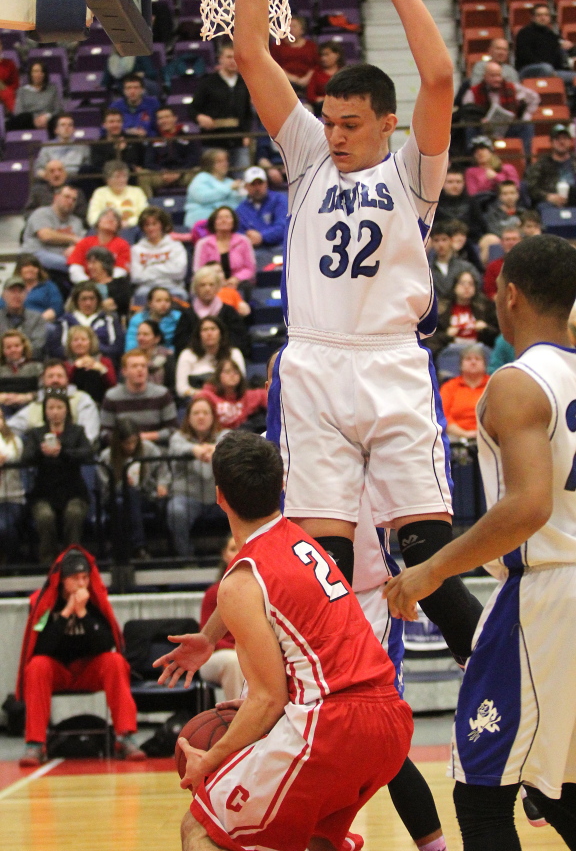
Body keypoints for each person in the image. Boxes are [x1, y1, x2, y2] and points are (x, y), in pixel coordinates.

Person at [232, 0, 482, 666]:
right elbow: (250, 53)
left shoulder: (413, 171)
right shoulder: (306, 158)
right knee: (325, 568)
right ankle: (337, 698)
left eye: (350, 123)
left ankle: (497, 687)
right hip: (314, 364)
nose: (333, 134)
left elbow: (441, 76)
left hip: (389, 366)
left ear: (385, 123)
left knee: (427, 561)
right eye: (328, 120)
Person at [385, 233, 576, 849]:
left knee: (481, 792)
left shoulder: (518, 383)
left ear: (511, 296)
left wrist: (430, 571)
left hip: (549, 595)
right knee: (560, 785)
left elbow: (527, 506)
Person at [160, 430, 412, 851]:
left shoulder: (240, 581)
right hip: (389, 722)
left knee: (202, 828)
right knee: (314, 841)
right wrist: (209, 636)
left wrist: (213, 758)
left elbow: (266, 700)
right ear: (281, 486)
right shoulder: (302, 539)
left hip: (332, 727)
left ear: (220, 496)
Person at [16, 546, 144, 767]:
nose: (82, 583)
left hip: (88, 670)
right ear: (62, 580)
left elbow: (107, 644)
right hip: (58, 670)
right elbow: (42, 646)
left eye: (85, 577)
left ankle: (125, 737)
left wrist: (83, 613)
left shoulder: (95, 602)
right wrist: (66, 613)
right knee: (36, 666)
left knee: (115, 662)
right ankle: (35, 744)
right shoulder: (45, 604)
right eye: (75, 578)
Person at [22, 390, 93, 564]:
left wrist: (63, 453)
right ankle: (48, 562)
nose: (55, 411)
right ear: (45, 411)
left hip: (74, 492)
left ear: (66, 410)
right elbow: (26, 457)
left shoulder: (77, 431)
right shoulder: (36, 434)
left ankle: (72, 560)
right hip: (44, 493)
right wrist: (41, 451)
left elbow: (87, 453)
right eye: (51, 407)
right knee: (45, 517)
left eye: (59, 407)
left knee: (74, 513)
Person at [99, 418, 169, 560]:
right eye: (126, 443)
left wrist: (162, 484)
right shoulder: (106, 457)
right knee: (123, 498)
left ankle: (120, 548)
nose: (131, 447)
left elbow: (163, 471)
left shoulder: (149, 449)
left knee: (131, 496)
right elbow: (104, 487)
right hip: (114, 498)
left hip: (145, 495)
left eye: (134, 442)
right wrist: (121, 484)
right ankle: (139, 546)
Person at [167, 396, 227, 557]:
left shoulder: (225, 435)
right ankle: (185, 556)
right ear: (188, 417)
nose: (201, 417)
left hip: (220, 498)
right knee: (176, 511)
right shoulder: (178, 437)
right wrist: (195, 450)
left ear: (213, 417)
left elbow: (229, 444)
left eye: (205, 413)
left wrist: (214, 449)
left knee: (242, 506)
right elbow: (177, 448)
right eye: (196, 413)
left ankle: (236, 555)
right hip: (187, 497)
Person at [189, 41, 253, 171]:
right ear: (220, 59)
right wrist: (200, 117)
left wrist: (247, 134)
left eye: (236, 58)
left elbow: (248, 113)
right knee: (213, 179)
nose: (232, 61)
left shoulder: (245, 83)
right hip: (213, 140)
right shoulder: (207, 83)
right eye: (229, 57)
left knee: (242, 176)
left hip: (237, 140)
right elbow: (192, 109)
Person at [8, 358, 100, 444]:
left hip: (75, 455)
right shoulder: (36, 405)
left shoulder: (82, 399)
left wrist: (63, 451)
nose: (55, 380)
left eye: (59, 376)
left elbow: (89, 434)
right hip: (41, 456)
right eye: (50, 376)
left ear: (67, 379)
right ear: (43, 380)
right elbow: (10, 429)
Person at [197, 535, 244, 698]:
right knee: (234, 661)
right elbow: (207, 638)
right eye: (233, 549)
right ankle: (239, 719)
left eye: (242, 547)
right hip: (218, 655)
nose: (238, 552)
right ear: (224, 555)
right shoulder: (213, 594)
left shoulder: (265, 587)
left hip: (253, 653)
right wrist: (237, 649)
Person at [100, 348, 178, 446]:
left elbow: (173, 430)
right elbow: (104, 433)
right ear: (124, 371)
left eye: (143, 366)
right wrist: (128, 440)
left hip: (155, 451)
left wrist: (144, 437)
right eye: (134, 366)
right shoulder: (112, 397)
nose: (140, 370)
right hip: (122, 450)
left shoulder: (162, 394)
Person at [461, 62, 539, 157]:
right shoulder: (473, 92)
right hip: (484, 130)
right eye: (493, 76)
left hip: (509, 128)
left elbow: (535, 97)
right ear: (485, 76)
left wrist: (526, 116)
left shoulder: (513, 88)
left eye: (499, 76)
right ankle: (472, 161)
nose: (497, 79)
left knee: (526, 126)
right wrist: (479, 121)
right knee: (470, 127)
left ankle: (526, 159)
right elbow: (466, 110)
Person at [174, 266, 250, 358]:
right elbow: (181, 343)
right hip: (197, 358)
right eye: (203, 285)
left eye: (211, 285)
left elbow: (240, 340)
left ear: (217, 287)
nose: (207, 289)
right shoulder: (188, 315)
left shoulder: (228, 312)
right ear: (196, 288)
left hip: (225, 357)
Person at [428, 270, 498, 357]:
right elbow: (431, 341)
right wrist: (447, 335)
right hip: (451, 354)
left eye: (470, 284)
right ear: (454, 287)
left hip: (479, 353)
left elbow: (498, 337)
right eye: (462, 283)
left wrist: (486, 329)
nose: (466, 287)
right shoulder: (442, 310)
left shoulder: (485, 308)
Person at [53, 281, 125, 364]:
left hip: (102, 363)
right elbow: (57, 350)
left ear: (98, 300)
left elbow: (117, 348)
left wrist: (92, 350)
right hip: (71, 364)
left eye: (92, 298)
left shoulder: (109, 320)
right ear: (76, 301)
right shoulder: (65, 321)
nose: (88, 303)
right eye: (84, 299)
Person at [22, 183, 86, 274]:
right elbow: (46, 236)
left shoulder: (76, 221)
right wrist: (73, 238)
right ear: (56, 197)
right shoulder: (41, 213)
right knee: (73, 265)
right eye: (67, 197)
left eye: (74, 199)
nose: (70, 201)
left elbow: (81, 243)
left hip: (61, 257)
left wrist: (74, 247)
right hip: (36, 254)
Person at [130, 207, 188, 305]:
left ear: (162, 225)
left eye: (154, 224)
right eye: (147, 225)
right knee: (139, 296)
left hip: (173, 287)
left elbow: (179, 272)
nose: (151, 228)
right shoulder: (136, 249)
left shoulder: (175, 246)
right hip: (146, 289)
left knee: (180, 295)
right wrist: (166, 269)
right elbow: (136, 277)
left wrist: (150, 269)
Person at [176, 317, 245, 398]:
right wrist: (206, 395)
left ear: (221, 333)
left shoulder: (234, 353)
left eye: (213, 329)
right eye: (205, 330)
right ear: (199, 335)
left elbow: (241, 383)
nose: (209, 333)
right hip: (198, 401)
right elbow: (181, 389)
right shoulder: (187, 355)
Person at [192, 206, 256, 291]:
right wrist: (217, 281)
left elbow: (250, 269)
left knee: (246, 286)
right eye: (219, 218)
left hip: (238, 283)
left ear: (233, 222)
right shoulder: (203, 244)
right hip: (210, 284)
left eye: (227, 217)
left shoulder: (244, 241)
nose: (224, 220)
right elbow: (198, 270)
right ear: (213, 222)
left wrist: (235, 279)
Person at [140, 105, 199, 194]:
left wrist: (180, 172)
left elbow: (194, 158)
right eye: (160, 118)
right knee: (143, 175)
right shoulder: (153, 140)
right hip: (161, 175)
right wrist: (162, 171)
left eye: (167, 117)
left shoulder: (187, 137)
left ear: (175, 118)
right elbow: (148, 162)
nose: (164, 121)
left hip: (183, 174)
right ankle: (149, 207)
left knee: (198, 173)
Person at [514, 3, 576, 86]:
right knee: (546, 68)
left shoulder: (552, 35)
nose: (543, 18)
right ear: (532, 17)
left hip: (553, 71)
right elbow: (525, 56)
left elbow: (567, 52)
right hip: (528, 70)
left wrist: (570, 47)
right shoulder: (524, 33)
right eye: (539, 15)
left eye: (546, 15)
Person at [67, 208, 131, 284]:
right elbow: (75, 268)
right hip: (85, 284)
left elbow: (121, 271)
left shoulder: (123, 245)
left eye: (115, 218)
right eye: (106, 216)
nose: (110, 220)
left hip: (111, 286)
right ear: (98, 222)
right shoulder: (85, 242)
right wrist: (88, 284)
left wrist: (106, 283)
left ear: (118, 226)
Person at [202, 358, 267, 431]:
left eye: (236, 372)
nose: (232, 375)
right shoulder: (206, 396)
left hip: (240, 436)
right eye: (227, 372)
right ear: (218, 375)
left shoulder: (248, 396)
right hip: (214, 436)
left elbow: (269, 398)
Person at [184, 148, 243, 228]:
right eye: (220, 161)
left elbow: (236, 204)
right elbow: (202, 197)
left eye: (226, 161)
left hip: (225, 226)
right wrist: (229, 188)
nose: (225, 164)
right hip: (200, 224)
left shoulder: (230, 182)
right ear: (210, 164)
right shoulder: (201, 178)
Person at [440, 344, 489, 439]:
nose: (473, 362)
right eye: (468, 359)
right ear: (460, 365)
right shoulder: (449, 387)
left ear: (485, 364)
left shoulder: (493, 385)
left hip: (489, 437)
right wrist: (464, 434)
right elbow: (443, 416)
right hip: (455, 437)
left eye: (478, 359)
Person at [87, 107, 146, 185]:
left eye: (118, 121)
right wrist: (117, 151)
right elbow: (99, 166)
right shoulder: (98, 144)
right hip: (104, 181)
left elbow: (140, 161)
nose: (115, 125)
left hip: (131, 180)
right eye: (111, 122)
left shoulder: (133, 140)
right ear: (104, 125)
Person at [236, 166, 288, 250]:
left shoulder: (279, 200)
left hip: (280, 248)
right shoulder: (240, 210)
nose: (257, 187)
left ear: (266, 184)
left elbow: (284, 227)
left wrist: (261, 236)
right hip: (254, 252)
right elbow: (239, 235)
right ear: (246, 186)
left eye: (260, 183)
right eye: (253, 184)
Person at [64, 324, 116, 406]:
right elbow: (65, 384)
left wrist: (102, 369)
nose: (79, 343)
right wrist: (75, 367)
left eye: (83, 340)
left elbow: (112, 385)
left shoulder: (104, 361)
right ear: (70, 344)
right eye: (75, 340)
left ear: (91, 342)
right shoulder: (65, 365)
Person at [86, 159, 149, 228]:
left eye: (124, 176)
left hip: (131, 228)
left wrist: (128, 223)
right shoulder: (100, 193)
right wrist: (109, 224)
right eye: (117, 177)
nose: (122, 180)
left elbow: (145, 215)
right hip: (106, 228)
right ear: (108, 179)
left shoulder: (137, 192)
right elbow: (92, 218)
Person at [526, 123, 576, 207]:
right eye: (557, 139)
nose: (561, 142)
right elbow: (531, 187)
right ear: (551, 142)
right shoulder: (541, 164)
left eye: (565, 138)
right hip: (550, 202)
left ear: (570, 141)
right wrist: (548, 197)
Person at [429, 222, 481, 300]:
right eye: (436, 240)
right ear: (432, 243)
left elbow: (477, 286)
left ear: (451, 240)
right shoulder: (427, 269)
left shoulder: (466, 267)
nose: (440, 244)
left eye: (444, 239)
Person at [270, 15, 319, 96]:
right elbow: (274, 65)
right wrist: (293, 79)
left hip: (307, 82)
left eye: (294, 26)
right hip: (283, 81)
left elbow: (316, 65)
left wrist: (306, 79)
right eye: (288, 26)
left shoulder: (311, 46)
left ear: (302, 30)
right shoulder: (277, 46)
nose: (290, 29)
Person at [0, 277, 47, 359]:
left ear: (26, 295)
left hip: (30, 363)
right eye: (12, 291)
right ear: (3, 295)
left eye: (20, 291)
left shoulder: (36, 318)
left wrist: (16, 354)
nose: (16, 295)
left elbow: (38, 346)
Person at [33, 113, 90, 182]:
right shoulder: (47, 147)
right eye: (63, 125)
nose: (67, 128)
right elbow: (39, 169)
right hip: (53, 181)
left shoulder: (83, 147)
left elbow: (88, 170)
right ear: (56, 130)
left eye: (70, 125)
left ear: (73, 129)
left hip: (77, 181)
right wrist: (47, 176)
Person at [435, 167, 487, 242]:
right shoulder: (435, 202)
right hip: (441, 240)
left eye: (458, 182)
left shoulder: (472, 202)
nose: (455, 186)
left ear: (463, 183)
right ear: (443, 184)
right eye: (450, 182)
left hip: (468, 240)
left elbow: (481, 226)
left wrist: (463, 231)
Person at [0, 406, 24, 561]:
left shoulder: (14, 441)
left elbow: (11, 455)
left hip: (11, 498)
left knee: (5, 528)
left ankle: (10, 562)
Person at [8, 254, 63, 321]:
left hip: (43, 322)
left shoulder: (49, 286)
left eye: (34, 266)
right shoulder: (12, 286)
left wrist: (37, 321)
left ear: (39, 270)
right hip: (15, 323)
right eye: (26, 266)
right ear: (19, 270)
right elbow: (2, 306)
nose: (30, 269)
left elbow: (56, 308)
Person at [125, 286, 181, 352]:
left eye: (167, 300)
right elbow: (130, 346)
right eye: (158, 300)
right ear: (150, 303)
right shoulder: (137, 320)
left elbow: (180, 344)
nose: (163, 304)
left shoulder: (178, 318)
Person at [0, 330, 43, 415]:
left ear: (23, 346)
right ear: (3, 350)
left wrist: (27, 397)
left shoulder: (37, 367)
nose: (13, 350)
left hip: (29, 406)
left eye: (17, 346)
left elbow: (44, 390)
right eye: (8, 347)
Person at [9, 60, 61, 131]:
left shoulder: (52, 89)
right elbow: (18, 111)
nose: (38, 74)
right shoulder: (22, 91)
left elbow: (58, 109)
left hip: (48, 120)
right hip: (29, 121)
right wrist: (35, 119)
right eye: (35, 71)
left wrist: (47, 116)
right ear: (31, 74)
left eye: (41, 72)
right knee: (22, 118)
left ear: (44, 74)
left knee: (58, 119)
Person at [85, 247, 131, 319]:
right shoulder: (84, 285)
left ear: (105, 264)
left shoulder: (120, 283)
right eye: (89, 262)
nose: (90, 266)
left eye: (94, 263)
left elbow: (120, 302)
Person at [481, 179, 526, 249]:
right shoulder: (493, 213)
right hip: (502, 243)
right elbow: (492, 230)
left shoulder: (523, 213)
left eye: (512, 193)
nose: (509, 197)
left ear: (518, 195)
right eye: (505, 194)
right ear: (499, 196)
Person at [306, 40, 347, 113]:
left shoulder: (345, 73)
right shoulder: (316, 72)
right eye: (322, 55)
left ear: (337, 55)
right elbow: (310, 95)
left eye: (327, 55)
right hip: (320, 106)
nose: (323, 58)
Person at [482, 225, 522, 299]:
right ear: (502, 243)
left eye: (514, 239)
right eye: (507, 239)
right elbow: (489, 293)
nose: (511, 242)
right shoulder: (493, 266)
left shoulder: (529, 264)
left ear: (521, 241)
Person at [135, 319, 174, 389]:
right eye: (138, 334)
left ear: (157, 338)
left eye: (145, 334)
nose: (140, 338)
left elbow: (172, 387)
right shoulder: (131, 357)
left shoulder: (168, 357)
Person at [0, 40, 19, 113]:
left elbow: (15, 84)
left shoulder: (9, 64)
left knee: (8, 93)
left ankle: (15, 116)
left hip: (6, 93)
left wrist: (4, 88)